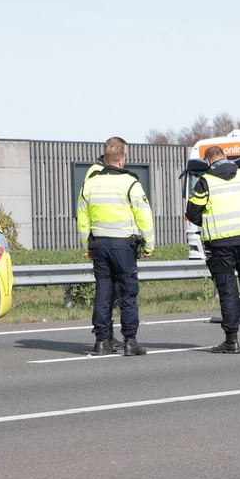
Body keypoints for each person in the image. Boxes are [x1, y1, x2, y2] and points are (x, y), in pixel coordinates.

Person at [76, 137, 155, 356]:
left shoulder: (89, 183)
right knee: (128, 293)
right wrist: (149, 244)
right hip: (123, 246)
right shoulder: (130, 182)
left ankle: (101, 341)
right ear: (122, 160)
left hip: (99, 244)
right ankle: (130, 342)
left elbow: (82, 217)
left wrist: (87, 246)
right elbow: (144, 215)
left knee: (103, 292)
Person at [186, 145, 240, 353]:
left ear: (207, 162)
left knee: (228, 292)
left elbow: (192, 212)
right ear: (226, 157)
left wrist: (208, 222)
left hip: (221, 244)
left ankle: (232, 340)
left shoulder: (206, 181)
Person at [84, 145, 123, 353]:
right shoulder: (97, 173)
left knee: (109, 291)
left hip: (101, 240)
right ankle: (104, 336)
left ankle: (106, 336)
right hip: (111, 240)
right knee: (108, 292)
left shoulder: (96, 172)